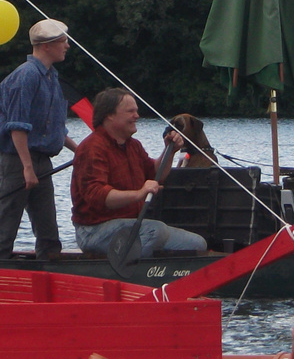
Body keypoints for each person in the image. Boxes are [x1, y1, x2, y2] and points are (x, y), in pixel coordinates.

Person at [71, 88, 207, 258]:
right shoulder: (92, 148)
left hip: (132, 225)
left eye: (136, 111)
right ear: (109, 115)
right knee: (156, 230)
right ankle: (132, 274)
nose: (137, 116)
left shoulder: (133, 146)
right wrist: (139, 194)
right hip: (94, 230)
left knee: (197, 243)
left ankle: (165, 276)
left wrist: (169, 151)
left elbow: (156, 174)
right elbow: (97, 196)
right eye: (130, 111)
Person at [0, 18, 78, 260]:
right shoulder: (25, 77)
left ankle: (49, 274)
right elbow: (17, 126)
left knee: (48, 230)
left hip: (40, 160)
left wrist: (80, 151)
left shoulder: (51, 77)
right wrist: (27, 167)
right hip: (16, 161)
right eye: (62, 41)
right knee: (6, 227)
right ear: (46, 46)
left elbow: (54, 127)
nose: (67, 46)